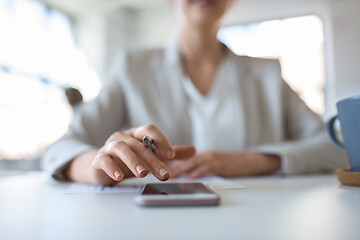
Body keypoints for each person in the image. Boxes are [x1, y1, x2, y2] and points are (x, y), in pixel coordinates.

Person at [42, 0, 348, 186]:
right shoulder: (132, 68)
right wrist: (99, 170)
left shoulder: (267, 74)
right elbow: (60, 149)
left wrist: (248, 161)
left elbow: (335, 146)